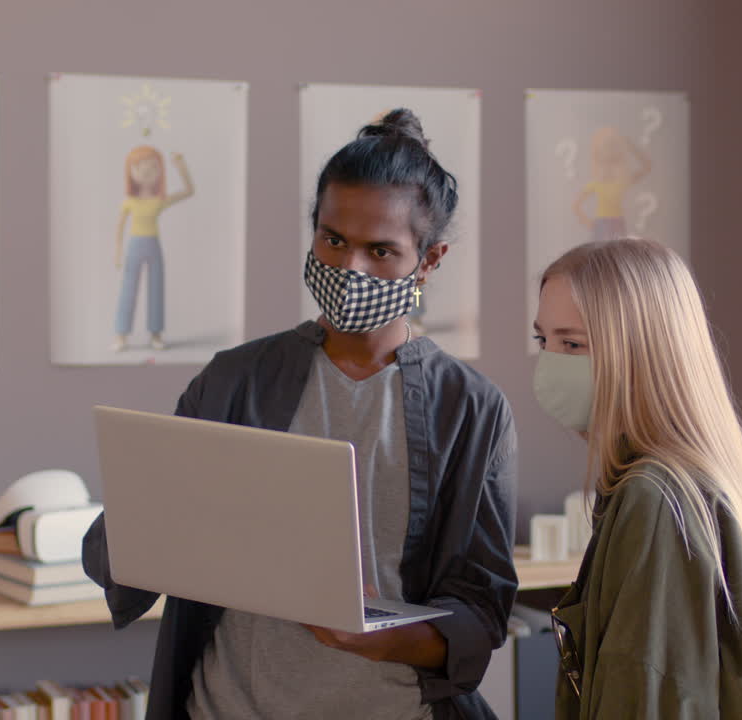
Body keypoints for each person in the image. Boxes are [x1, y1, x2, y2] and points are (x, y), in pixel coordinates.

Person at [84, 109, 518, 720]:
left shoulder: (471, 410)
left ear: (429, 260)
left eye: (381, 251)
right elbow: (118, 555)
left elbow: (482, 612)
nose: (350, 269)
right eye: (333, 239)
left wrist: (375, 635)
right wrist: (154, 511)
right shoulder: (235, 381)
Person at [531, 239, 742, 718]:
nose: (549, 363)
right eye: (544, 341)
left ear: (642, 352)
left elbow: (643, 692)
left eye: (573, 344)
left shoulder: (655, 498)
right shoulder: (693, 478)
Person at [113, 146, 195, 352]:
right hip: (134, 245)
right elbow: (119, 228)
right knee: (128, 289)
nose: (146, 171)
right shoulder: (129, 202)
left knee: (156, 288)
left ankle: (156, 333)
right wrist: (117, 252)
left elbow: (188, 191)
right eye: (139, 166)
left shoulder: (159, 201)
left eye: (152, 166)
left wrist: (180, 165)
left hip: (153, 244)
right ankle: (121, 334)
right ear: (130, 170)